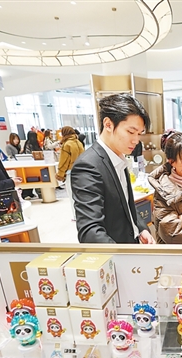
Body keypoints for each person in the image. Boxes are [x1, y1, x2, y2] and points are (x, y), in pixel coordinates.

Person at [71, 93, 155, 244]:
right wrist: (121, 255)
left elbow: (126, 205)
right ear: (108, 124)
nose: (136, 140)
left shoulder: (119, 157)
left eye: (139, 134)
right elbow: (90, 231)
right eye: (131, 132)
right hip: (116, 253)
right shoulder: (88, 166)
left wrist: (141, 228)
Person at [55, 126, 85, 221]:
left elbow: (63, 162)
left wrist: (60, 174)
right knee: (82, 195)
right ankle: (84, 215)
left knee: (72, 195)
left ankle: (76, 216)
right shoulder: (79, 143)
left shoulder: (67, 144)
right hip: (82, 171)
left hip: (71, 173)